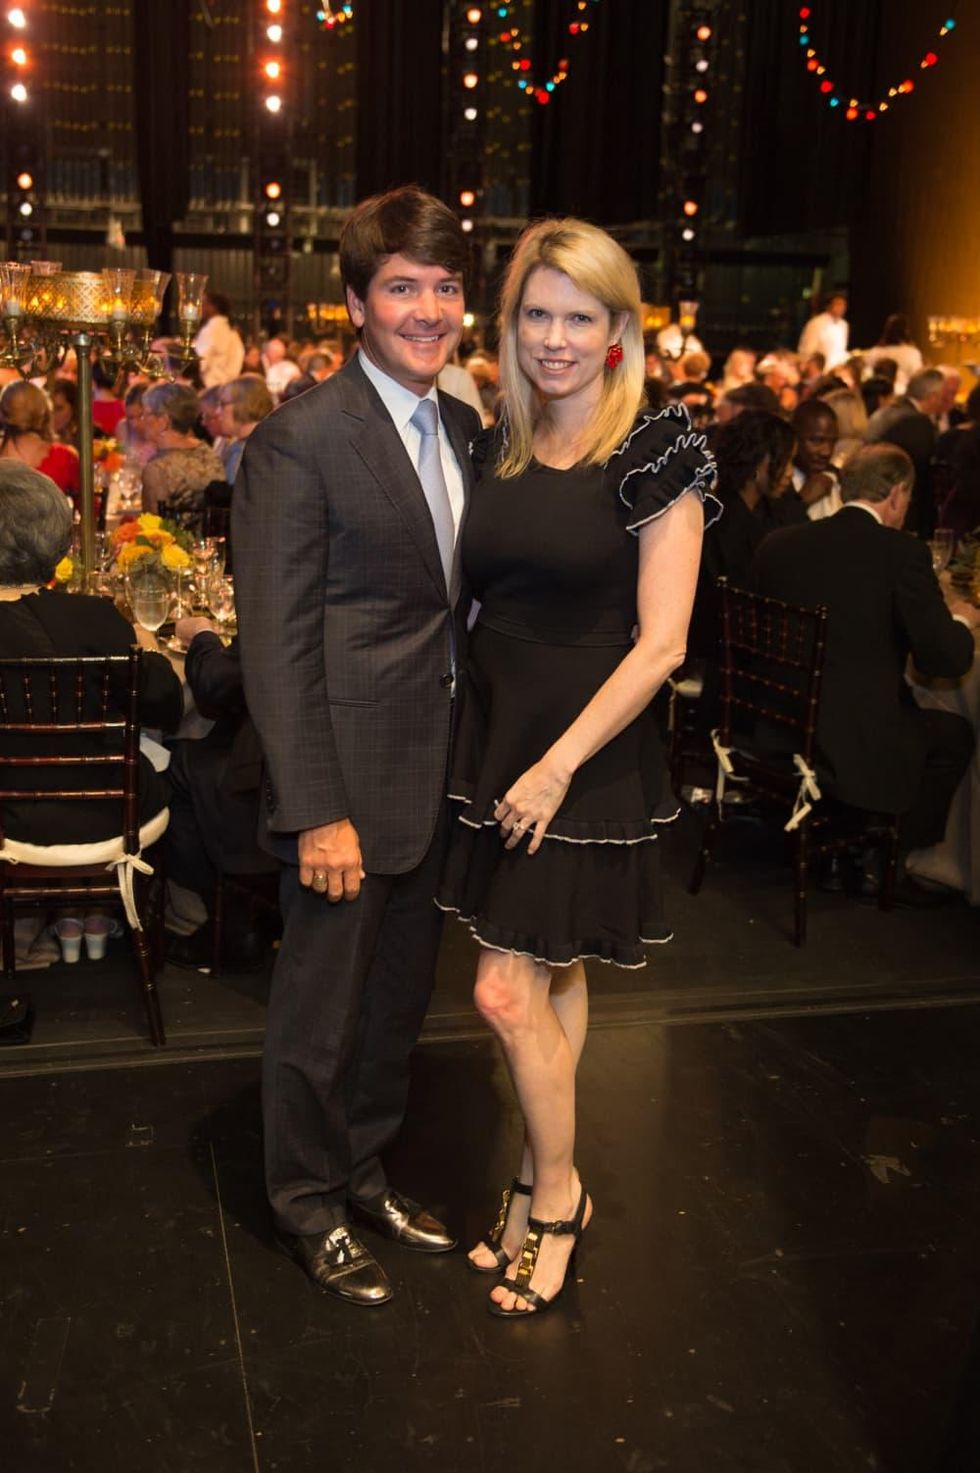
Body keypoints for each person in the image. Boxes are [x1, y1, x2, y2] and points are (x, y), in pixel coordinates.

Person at [435, 219, 718, 1316]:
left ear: (616, 330)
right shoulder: (495, 435)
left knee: (504, 990)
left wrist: (553, 768)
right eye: (536, 314)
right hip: (501, 738)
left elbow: (662, 644)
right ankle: (527, 1177)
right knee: (551, 972)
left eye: (579, 317)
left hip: (582, 757)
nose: (555, 338)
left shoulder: (657, 449)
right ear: (511, 324)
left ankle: (555, 1196)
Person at [233, 185, 481, 1308]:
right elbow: (277, 645)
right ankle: (302, 1205)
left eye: (442, 286)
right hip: (342, 787)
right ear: (354, 302)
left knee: (391, 1013)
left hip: (433, 774)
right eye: (401, 287)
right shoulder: (302, 439)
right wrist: (313, 806)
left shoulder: (464, 428)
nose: (426, 309)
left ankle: (362, 1171)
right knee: (318, 1019)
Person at [750, 444, 977, 895]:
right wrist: (961, 621)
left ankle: (841, 840)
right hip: (850, 741)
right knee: (955, 734)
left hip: (773, 721)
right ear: (896, 494)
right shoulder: (899, 553)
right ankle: (886, 855)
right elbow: (944, 659)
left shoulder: (781, 541)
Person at [0, 462, 180, 846]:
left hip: (7, 818)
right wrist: (149, 651)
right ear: (57, 539)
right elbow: (166, 705)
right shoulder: (94, 618)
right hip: (106, 810)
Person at [687, 409, 795, 666]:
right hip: (720, 656)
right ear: (760, 463)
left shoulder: (763, 512)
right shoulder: (724, 520)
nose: (790, 473)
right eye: (786, 461)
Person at [864, 366, 944, 538]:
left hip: (870, 500)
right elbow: (922, 476)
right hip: (899, 510)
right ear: (933, 396)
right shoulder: (918, 422)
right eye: (942, 397)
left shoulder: (884, 411)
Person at [140, 381, 224, 527]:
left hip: (175, 547)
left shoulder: (157, 469)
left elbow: (153, 533)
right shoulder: (207, 452)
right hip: (212, 546)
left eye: (146, 414)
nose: (142, 419)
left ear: (163, 421)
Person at [787, 397, 841, 521]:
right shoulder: (773, 482)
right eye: (817, 441)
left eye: (832, 442)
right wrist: (801, 502)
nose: (827, 452)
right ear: (794, 437)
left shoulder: (839, 480)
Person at [215, 375, 275, 484]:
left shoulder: (247, 452)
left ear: (244, 404)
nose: (217, 412)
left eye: (222, 404)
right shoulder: (266, 439)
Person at [193, 290, 246, 389]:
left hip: (209, 387)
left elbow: (201, 361)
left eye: (204, 304)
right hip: (228, 387)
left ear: (213, 307)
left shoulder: (210, 330)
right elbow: (239, 357)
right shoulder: (232, 331)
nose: (200, 308)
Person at [863, 314, 923, 395]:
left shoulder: (875, 352)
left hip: (878, 395)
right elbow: (917, 377)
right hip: (902, 395)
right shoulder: (912, 353)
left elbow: (867, 374)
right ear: (906, 331)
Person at [798, 290, 849, 370]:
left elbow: (841, 350)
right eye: (838, 304)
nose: (841, 308)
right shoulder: (816, 323)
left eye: (843, 305)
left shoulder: (844, 325)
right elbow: (807, 351)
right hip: (821, 370)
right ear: (828, 306)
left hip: (837, 369)